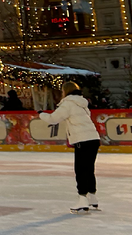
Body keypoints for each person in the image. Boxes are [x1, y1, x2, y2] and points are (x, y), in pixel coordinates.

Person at [40, 83, 102, 212]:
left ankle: (82, 199)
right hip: (93, 138)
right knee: (89, 169)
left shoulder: (68, 103)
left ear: (65, 91)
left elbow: (53, 119)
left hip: (82, 140)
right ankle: (92, 197)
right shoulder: (83, 103)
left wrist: (41, 114)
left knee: (80, 170)